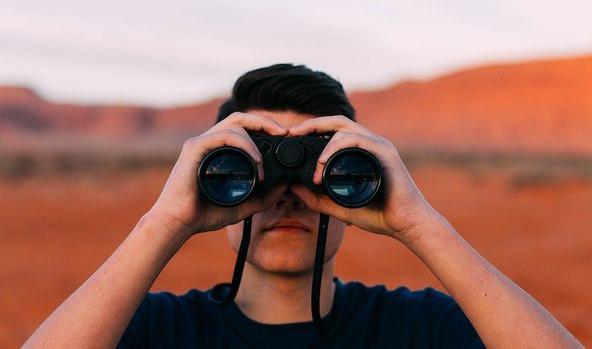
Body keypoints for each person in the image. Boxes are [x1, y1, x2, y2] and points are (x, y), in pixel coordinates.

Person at [24, 64, 583, 348]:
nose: (288, 191)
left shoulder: (420, 327)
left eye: (324, 171)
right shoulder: (156, 329)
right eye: (250, 171)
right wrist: (163, 221)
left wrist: (419, 222)